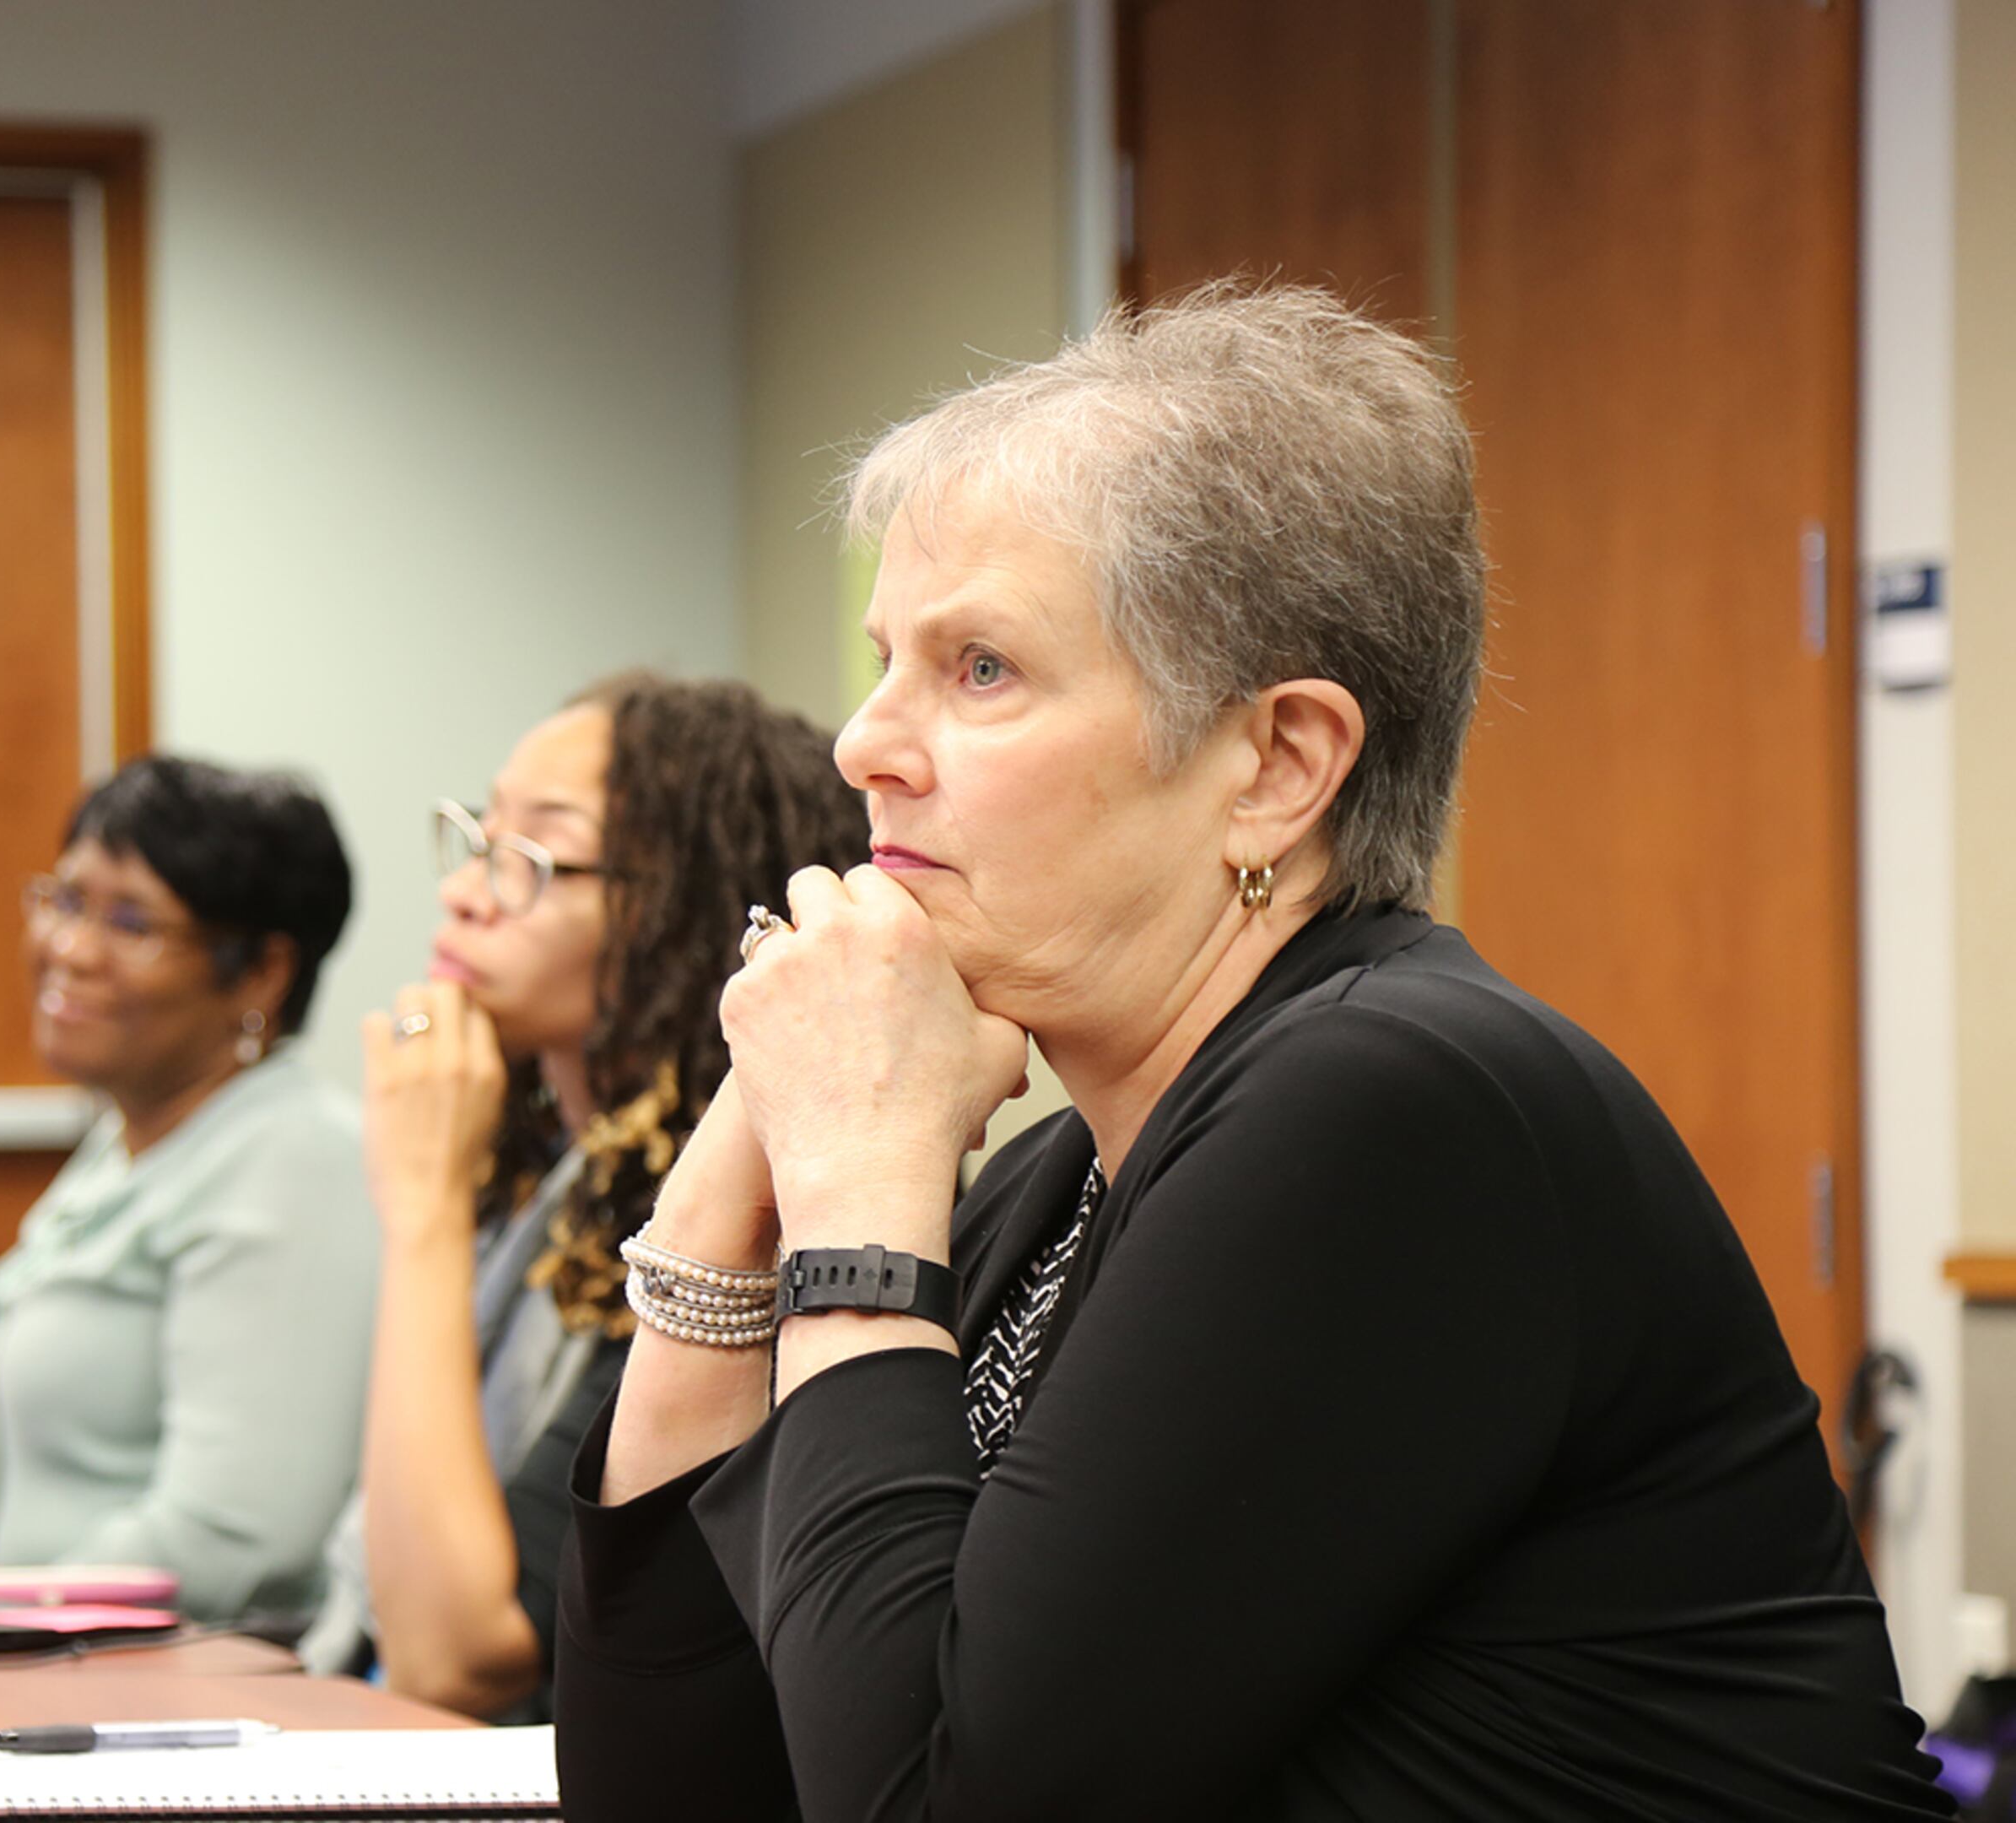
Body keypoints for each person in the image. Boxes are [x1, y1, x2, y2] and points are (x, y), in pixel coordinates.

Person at [555, 287, 1949, 1820]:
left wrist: (862, 1195)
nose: (863, 743)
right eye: (888, 657)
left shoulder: (1393, 1112)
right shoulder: (1060, 1180)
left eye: (981, 671)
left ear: (1278, 767)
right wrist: (733, 1191)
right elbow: (678, 1790)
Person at [293, 675, 864, 1720]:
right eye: (478, 838)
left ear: (682, 906)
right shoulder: (554, 1179)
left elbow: (459, 1658)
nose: (466, 892)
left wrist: (422, 1213)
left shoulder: (731, 1225)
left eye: (530, 859)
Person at [0, 755, 372, 1625]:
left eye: (131, 922)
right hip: (34, 1671)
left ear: (261, 975)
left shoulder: (295, 1162)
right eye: (64, 900)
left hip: (169, 1705)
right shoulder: (129, 1143)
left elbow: (233, 1537)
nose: (69, 949)